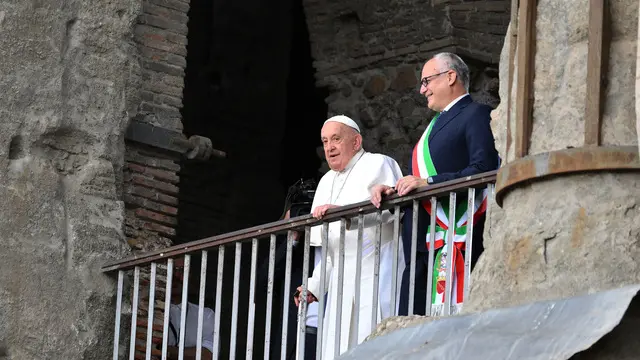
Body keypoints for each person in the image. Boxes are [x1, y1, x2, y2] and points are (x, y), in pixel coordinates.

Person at [370, 52, 499, 316]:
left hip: (458, 236)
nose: (422, 89)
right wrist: (395, 191)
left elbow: (483, 168)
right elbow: (418, 180)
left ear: (450, 77)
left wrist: (429, 182)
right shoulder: (433, 127)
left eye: (427, 80)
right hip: (423, 242)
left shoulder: (476, 113)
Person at [295, 115, 404, 360]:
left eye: (336, 139)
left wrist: (346, 216)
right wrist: (314, 285)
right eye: (325, 142)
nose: (329, 147)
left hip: (376, 271)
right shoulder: (325, 182)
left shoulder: (379, 164)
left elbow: (392, 214)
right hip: (340, 286)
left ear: (356, 142)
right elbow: (333, 251)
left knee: (374, 344)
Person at [254, 179, 321, 360]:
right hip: (293, 337)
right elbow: (262, 282)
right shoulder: (288, 246)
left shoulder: (338, 236)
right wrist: (293, 237)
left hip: (329, 333)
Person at [162, 257, 215, 360]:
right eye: (171, 269)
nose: (176, 275)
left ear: (190, 275)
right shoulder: (148, 311)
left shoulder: (205, 314)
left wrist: (163, 350)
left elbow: (207, 356)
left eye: (182, 270)